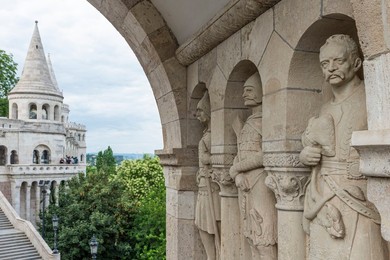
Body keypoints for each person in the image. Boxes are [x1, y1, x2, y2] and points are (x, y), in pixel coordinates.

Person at [299, 34, 389, 259]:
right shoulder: (324, 109)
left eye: (338, 61)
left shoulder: (372, 99)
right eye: (324, 64)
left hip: (361, 198)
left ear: (356, 63)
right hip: (325, 201)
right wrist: (306, 155)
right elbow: (314, 150)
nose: (330, 68)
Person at [229, 72, 277, 260]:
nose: (244, 95)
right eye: (244, 91)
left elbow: (266, 155)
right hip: (246, 185)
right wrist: (237, 175)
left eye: (249, 90)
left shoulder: (266, 120)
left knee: (263, 235)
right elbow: (240, 154)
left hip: (261, 184)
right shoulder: (249, 122)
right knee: (251, 237)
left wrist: (237, 169)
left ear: (261, 92)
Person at [194, 91, 221, 260]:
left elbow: (218, 158)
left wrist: (206, 158)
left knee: (209, 224)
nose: (197, 115)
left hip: (210, 187)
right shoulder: (207, 135)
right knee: (203, 224)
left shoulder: (211, 137)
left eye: (200, 111)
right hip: (204, 184)